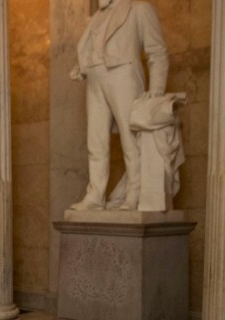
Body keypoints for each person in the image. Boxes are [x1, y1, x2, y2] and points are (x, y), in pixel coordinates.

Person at [69, 0, 168, 210]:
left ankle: (135, 193)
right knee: (96, 141)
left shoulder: (139, 9)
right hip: (95, 78)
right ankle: (95, 194)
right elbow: (92, 46)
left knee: (130, 137)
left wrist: (157, 86)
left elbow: (157, 51)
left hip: (124, 73)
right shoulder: (96, 17)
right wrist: (83, 65)